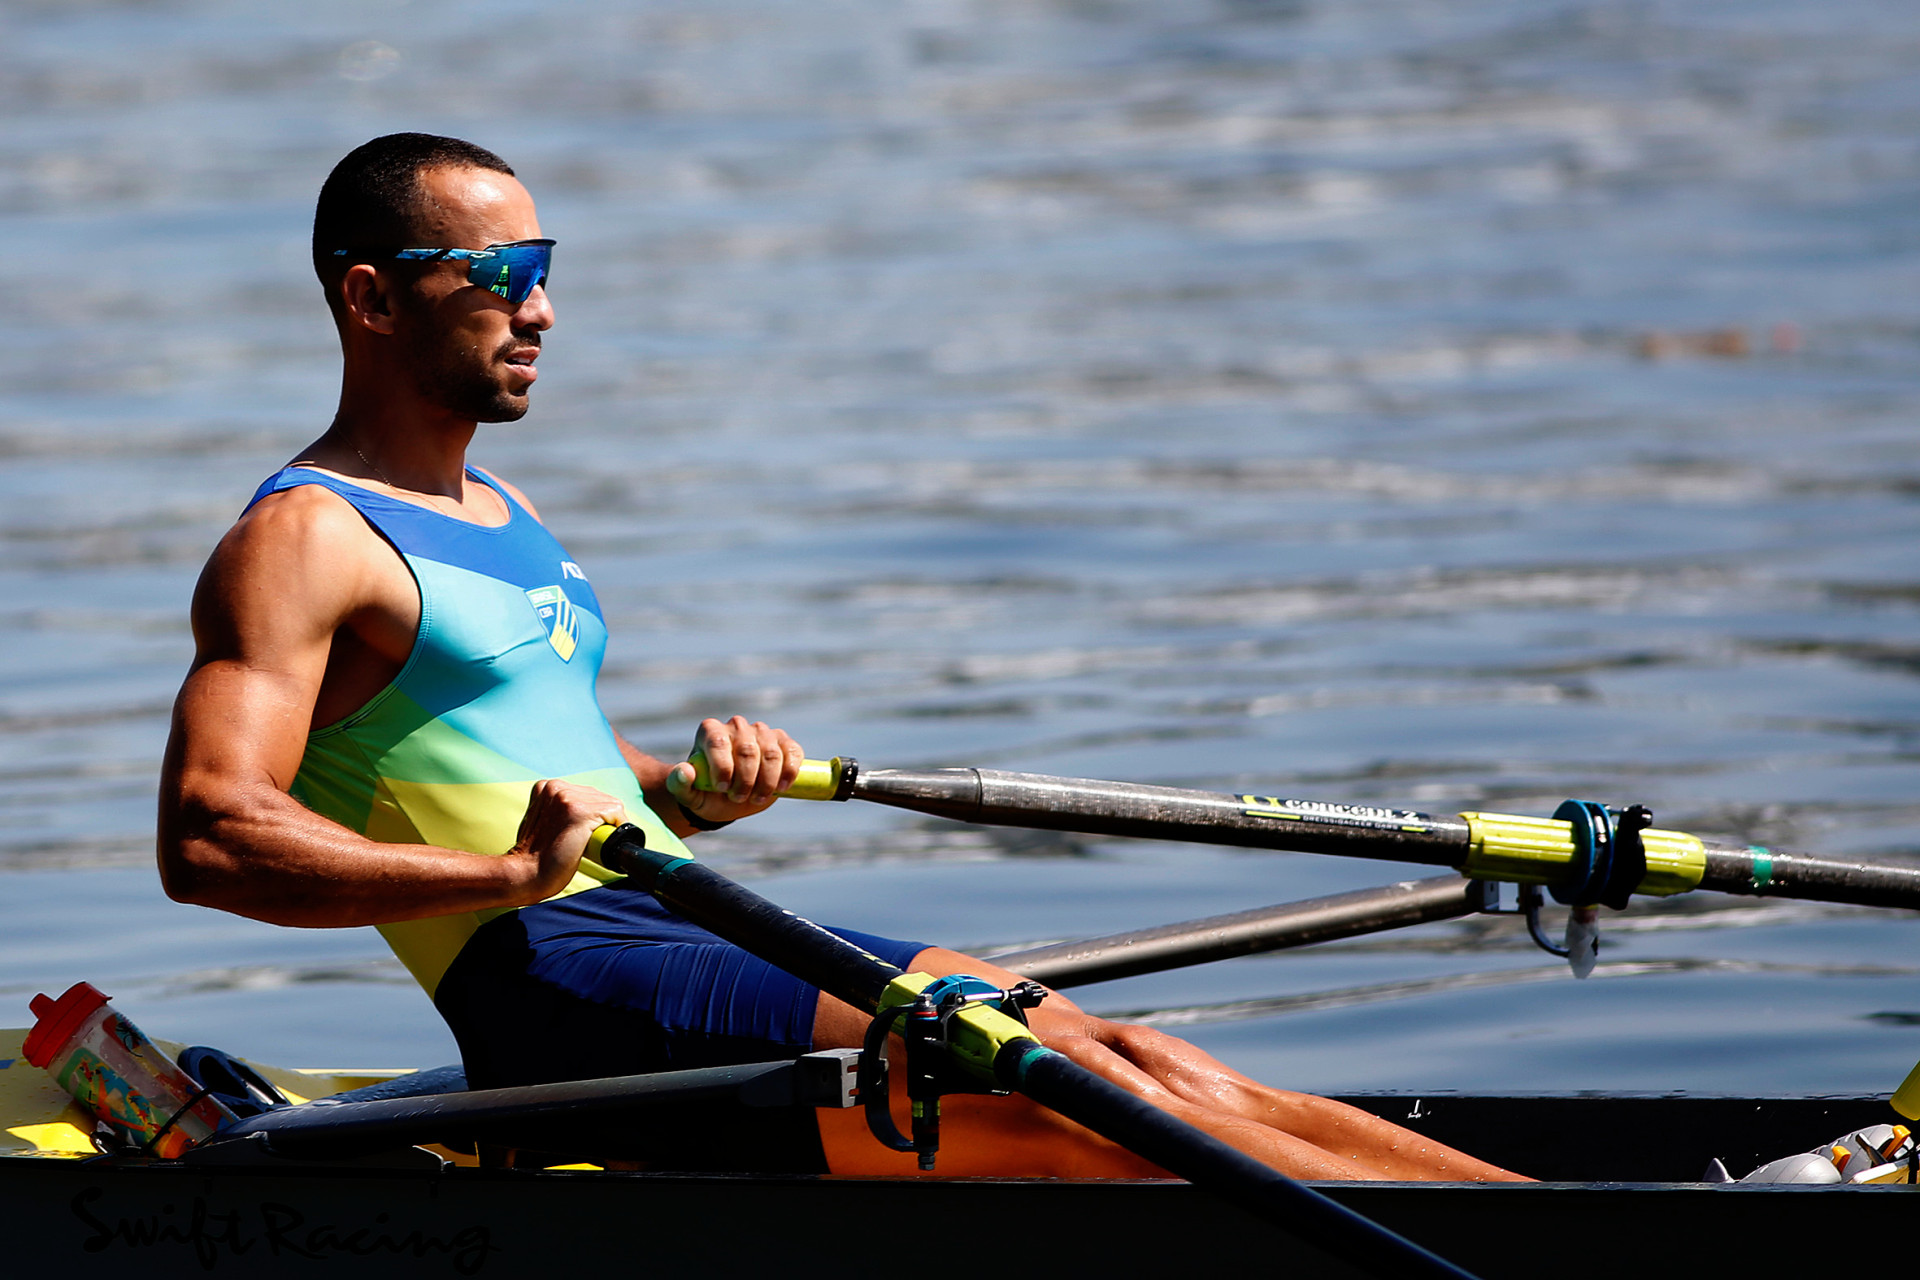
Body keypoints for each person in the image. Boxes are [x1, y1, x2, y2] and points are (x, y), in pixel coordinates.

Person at [157, 133, 1523, 1183]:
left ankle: (1554, 1209)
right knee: (1071, 1111)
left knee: (1115, 1053)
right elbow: (213, 833)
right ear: (372, 299)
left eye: (547, 269)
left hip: (681, 920)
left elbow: (551, 769)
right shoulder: (303, 539)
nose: (544, 312)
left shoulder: (503, 515)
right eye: (502, 275)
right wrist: (501, 876)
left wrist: (690, 791)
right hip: (557, 981)